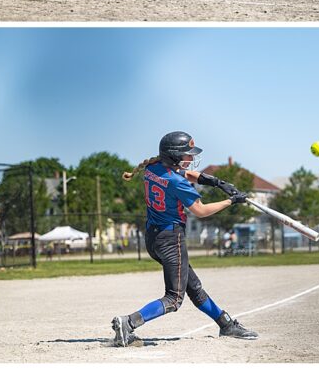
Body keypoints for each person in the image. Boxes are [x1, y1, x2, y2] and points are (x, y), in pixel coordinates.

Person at [109, 131, 256, 347]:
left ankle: (226, 324)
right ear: (174, 156)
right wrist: (231, 201)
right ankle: (128, 322)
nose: (190, 159)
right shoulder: (176, 182)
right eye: (186, 155)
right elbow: (201, 210)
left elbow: (186, 174)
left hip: (153, 237)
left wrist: (217, 182)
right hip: (171, 240)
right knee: (174, 298)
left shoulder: (152, 169)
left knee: (194, 287)